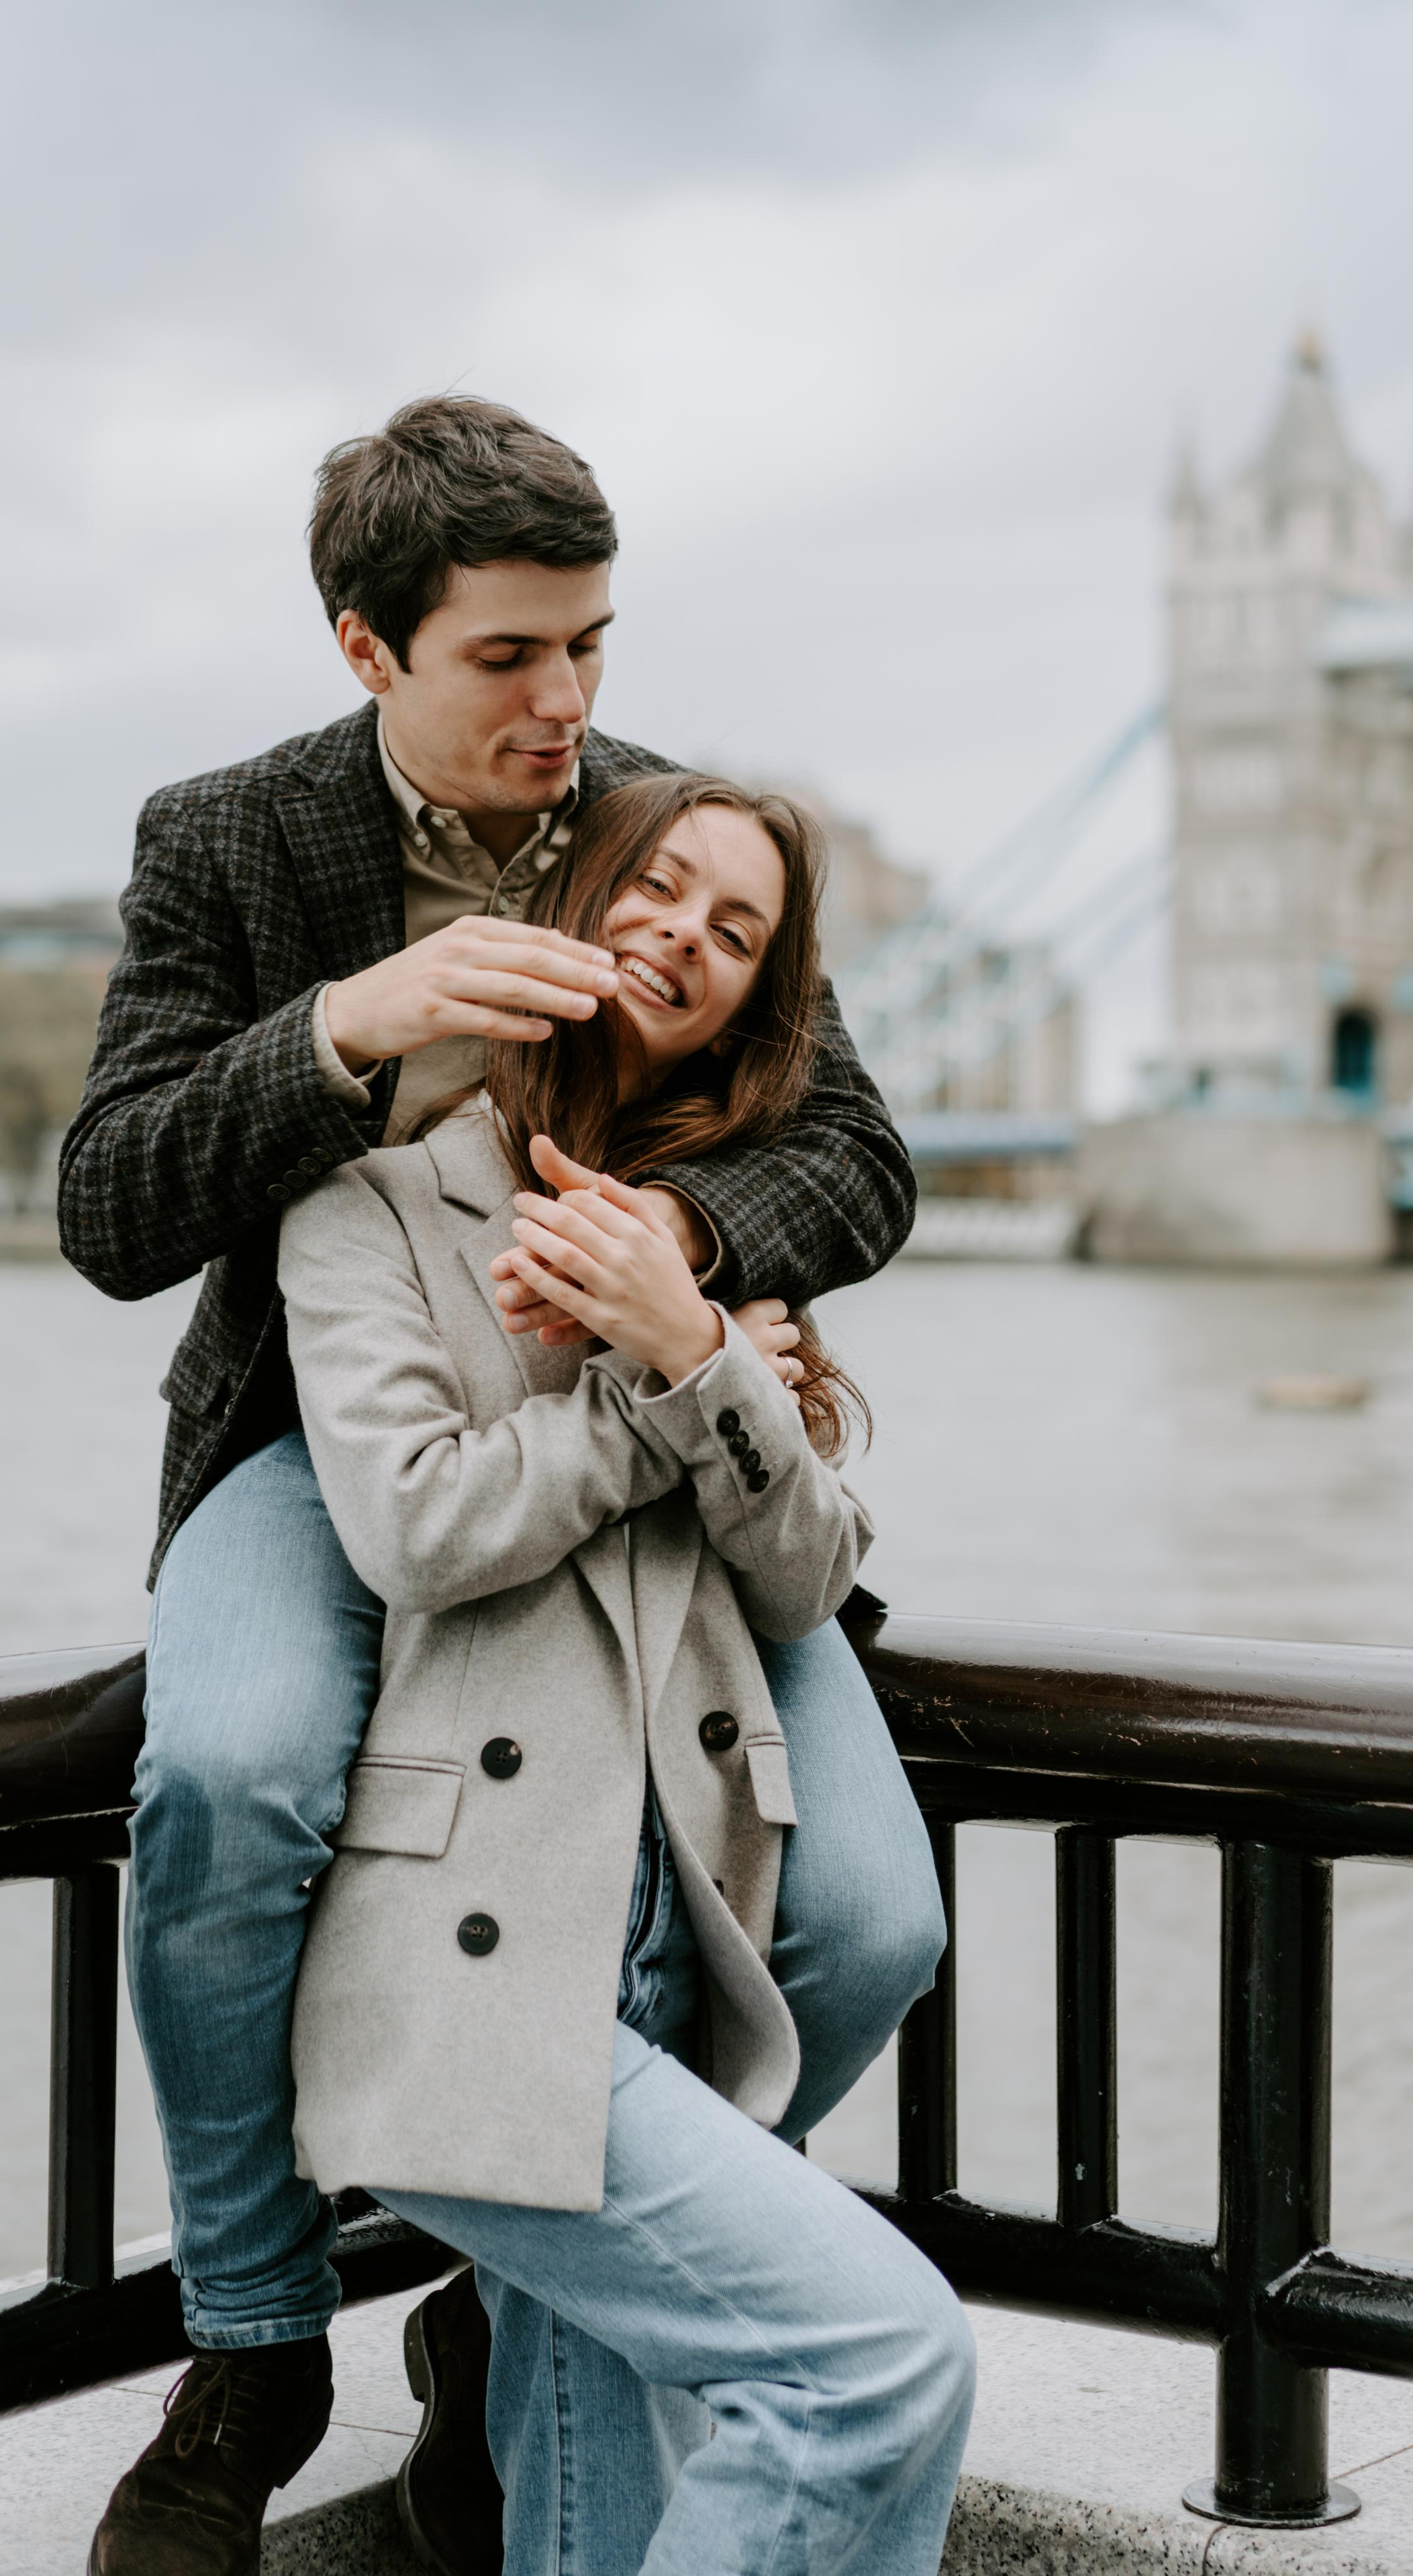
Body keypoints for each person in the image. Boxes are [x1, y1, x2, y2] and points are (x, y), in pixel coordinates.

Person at [68, 397, 945, 2576]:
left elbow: (854, 1157)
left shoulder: (646, 820)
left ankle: (534, 2267)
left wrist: (683, 1281)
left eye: (592, 645)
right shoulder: (229, 839)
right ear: (370, 647)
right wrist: (349, 1028)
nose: (566, 703)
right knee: (234, 1778)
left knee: (860, 1917)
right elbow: (107, 1204)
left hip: (651, 1423)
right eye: (510, 659)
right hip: (333, 1414)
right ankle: (259, 2337)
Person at [278, 769, 975, 2573]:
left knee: (596, 2515)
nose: (686, 934)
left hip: (680, 1956)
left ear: (754, 1004)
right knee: (875, 2366)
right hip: (473, 1980)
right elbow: (420, 1525)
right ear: (573, 899)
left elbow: (813, 1566)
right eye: (660, 888)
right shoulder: (369, 1212)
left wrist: (693, 1350)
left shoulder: (727, 1242)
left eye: (737, 932)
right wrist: (648, 1388)